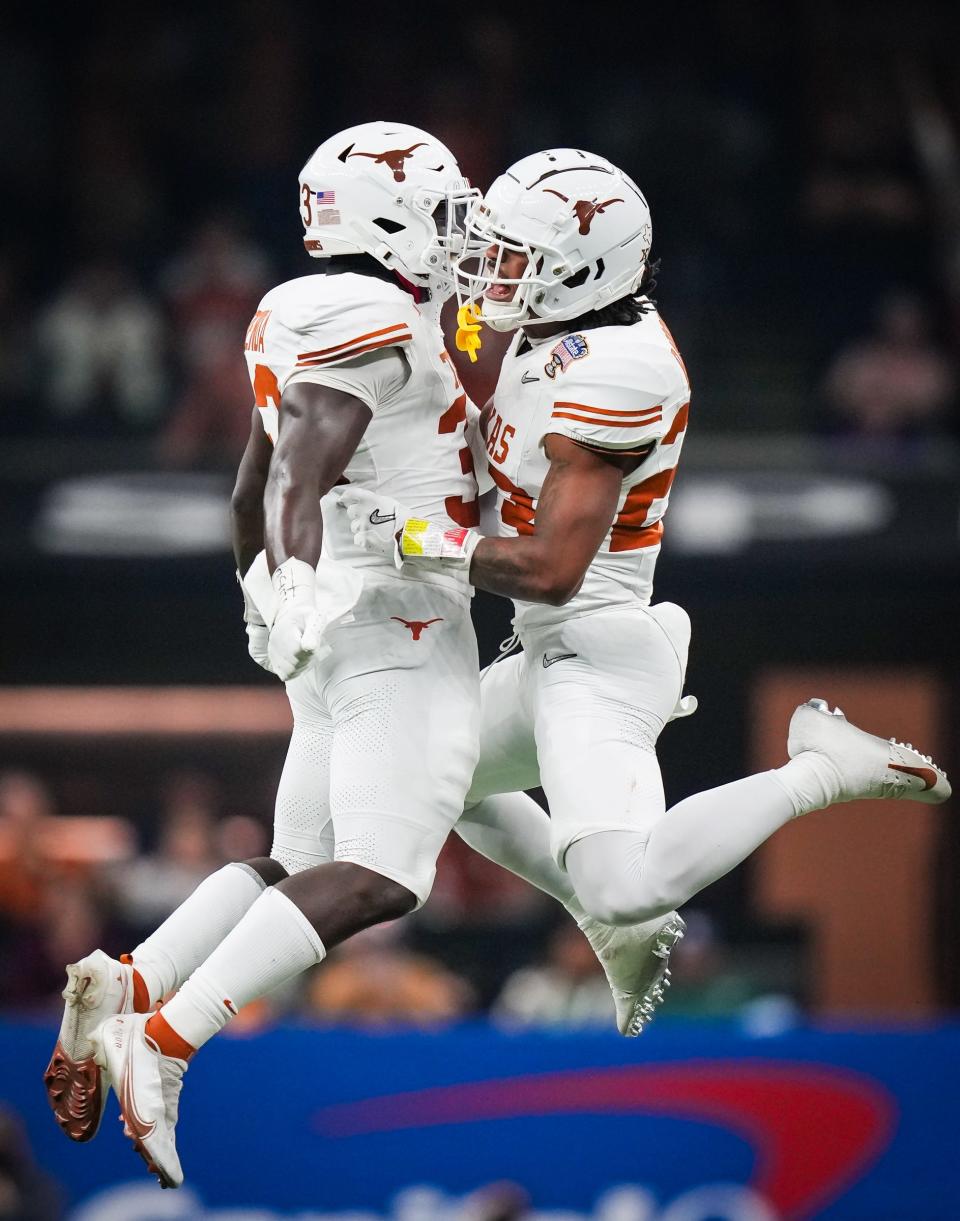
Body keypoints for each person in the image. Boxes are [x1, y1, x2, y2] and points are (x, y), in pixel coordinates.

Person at [341, 147, 951, 1031]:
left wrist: (410, 538)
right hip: (553, 646)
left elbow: (552, 568)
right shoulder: (561, 329)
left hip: (602, 650)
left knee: (623, 881)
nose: (493, 271)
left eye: (518, 256)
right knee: (441, 777)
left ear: (581, 270)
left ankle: (818, 769)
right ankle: (605, 921)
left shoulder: (615, 371)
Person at [45, 120, 486, 1187]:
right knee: (381, 877)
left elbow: (250, 486)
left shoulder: (300, 308)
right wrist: (291, 588)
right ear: (391, 219)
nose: (457, 231)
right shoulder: (370, 314)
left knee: (298, 868)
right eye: (441, 209)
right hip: (397, 620)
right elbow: (293, 474)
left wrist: (266, 601)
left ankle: (134, 978)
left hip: (338, 632)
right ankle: (171, 1039)